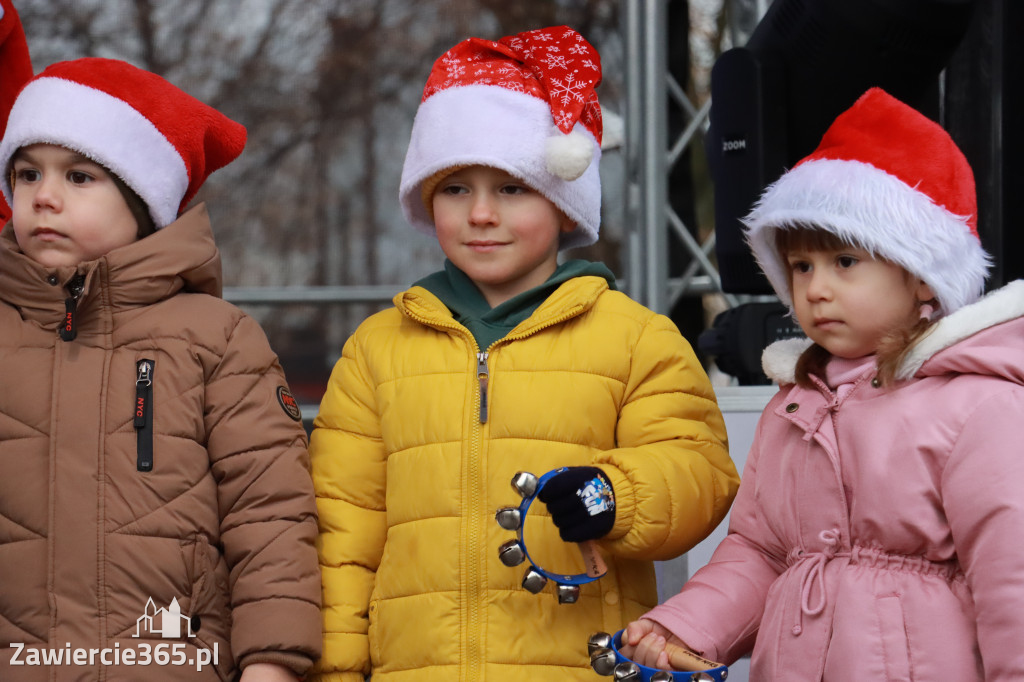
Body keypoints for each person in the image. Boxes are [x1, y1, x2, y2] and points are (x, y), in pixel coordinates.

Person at [309, 25, 739, 682]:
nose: (481, 214)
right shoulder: (376, 350)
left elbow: (700, 473)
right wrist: (335, 670)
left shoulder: (635, 337)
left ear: (566, 204)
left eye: (512, 188)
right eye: (456, 188)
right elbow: (342, 536)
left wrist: (615, 494)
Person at [621, 87, 1024, 679]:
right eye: (802, 266)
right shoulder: (794, 405)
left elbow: (1011, 574)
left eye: (845, 262)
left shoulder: (979, 404)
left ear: (923, 277)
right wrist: (687, 624)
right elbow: (760, 551)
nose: (815, 288)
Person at [0, 58, 322, 681]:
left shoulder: (217, 339)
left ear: (144, 199)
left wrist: (272, 662)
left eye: (81, 175)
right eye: (26, 172)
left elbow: (270, 513)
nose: (43, 195)